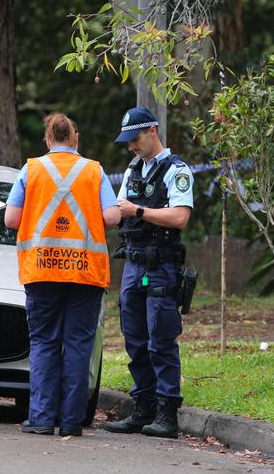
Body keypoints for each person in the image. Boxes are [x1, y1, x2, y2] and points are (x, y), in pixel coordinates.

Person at [5, 113, 120, 437]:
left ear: (47, 139)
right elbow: (111, 216)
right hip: (85, 272)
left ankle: (41, 418)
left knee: (43, 343)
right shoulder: (94, 171)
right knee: (79, 345)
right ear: (75, 138)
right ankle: (71, 421)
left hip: (41, 271)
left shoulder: (31, 169)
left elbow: (12, 220)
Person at [104, 107, 194, 439]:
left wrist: (139, 210)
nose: (131, 147)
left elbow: (180, 217)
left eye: (135, 139)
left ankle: (167, 413)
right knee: (135, 338)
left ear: (152, 131)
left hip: (162, 266)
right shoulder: (132, 171)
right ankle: (142, 409)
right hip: (133, 263)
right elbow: (116, 211)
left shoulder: (177, 170)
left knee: (161, 338)